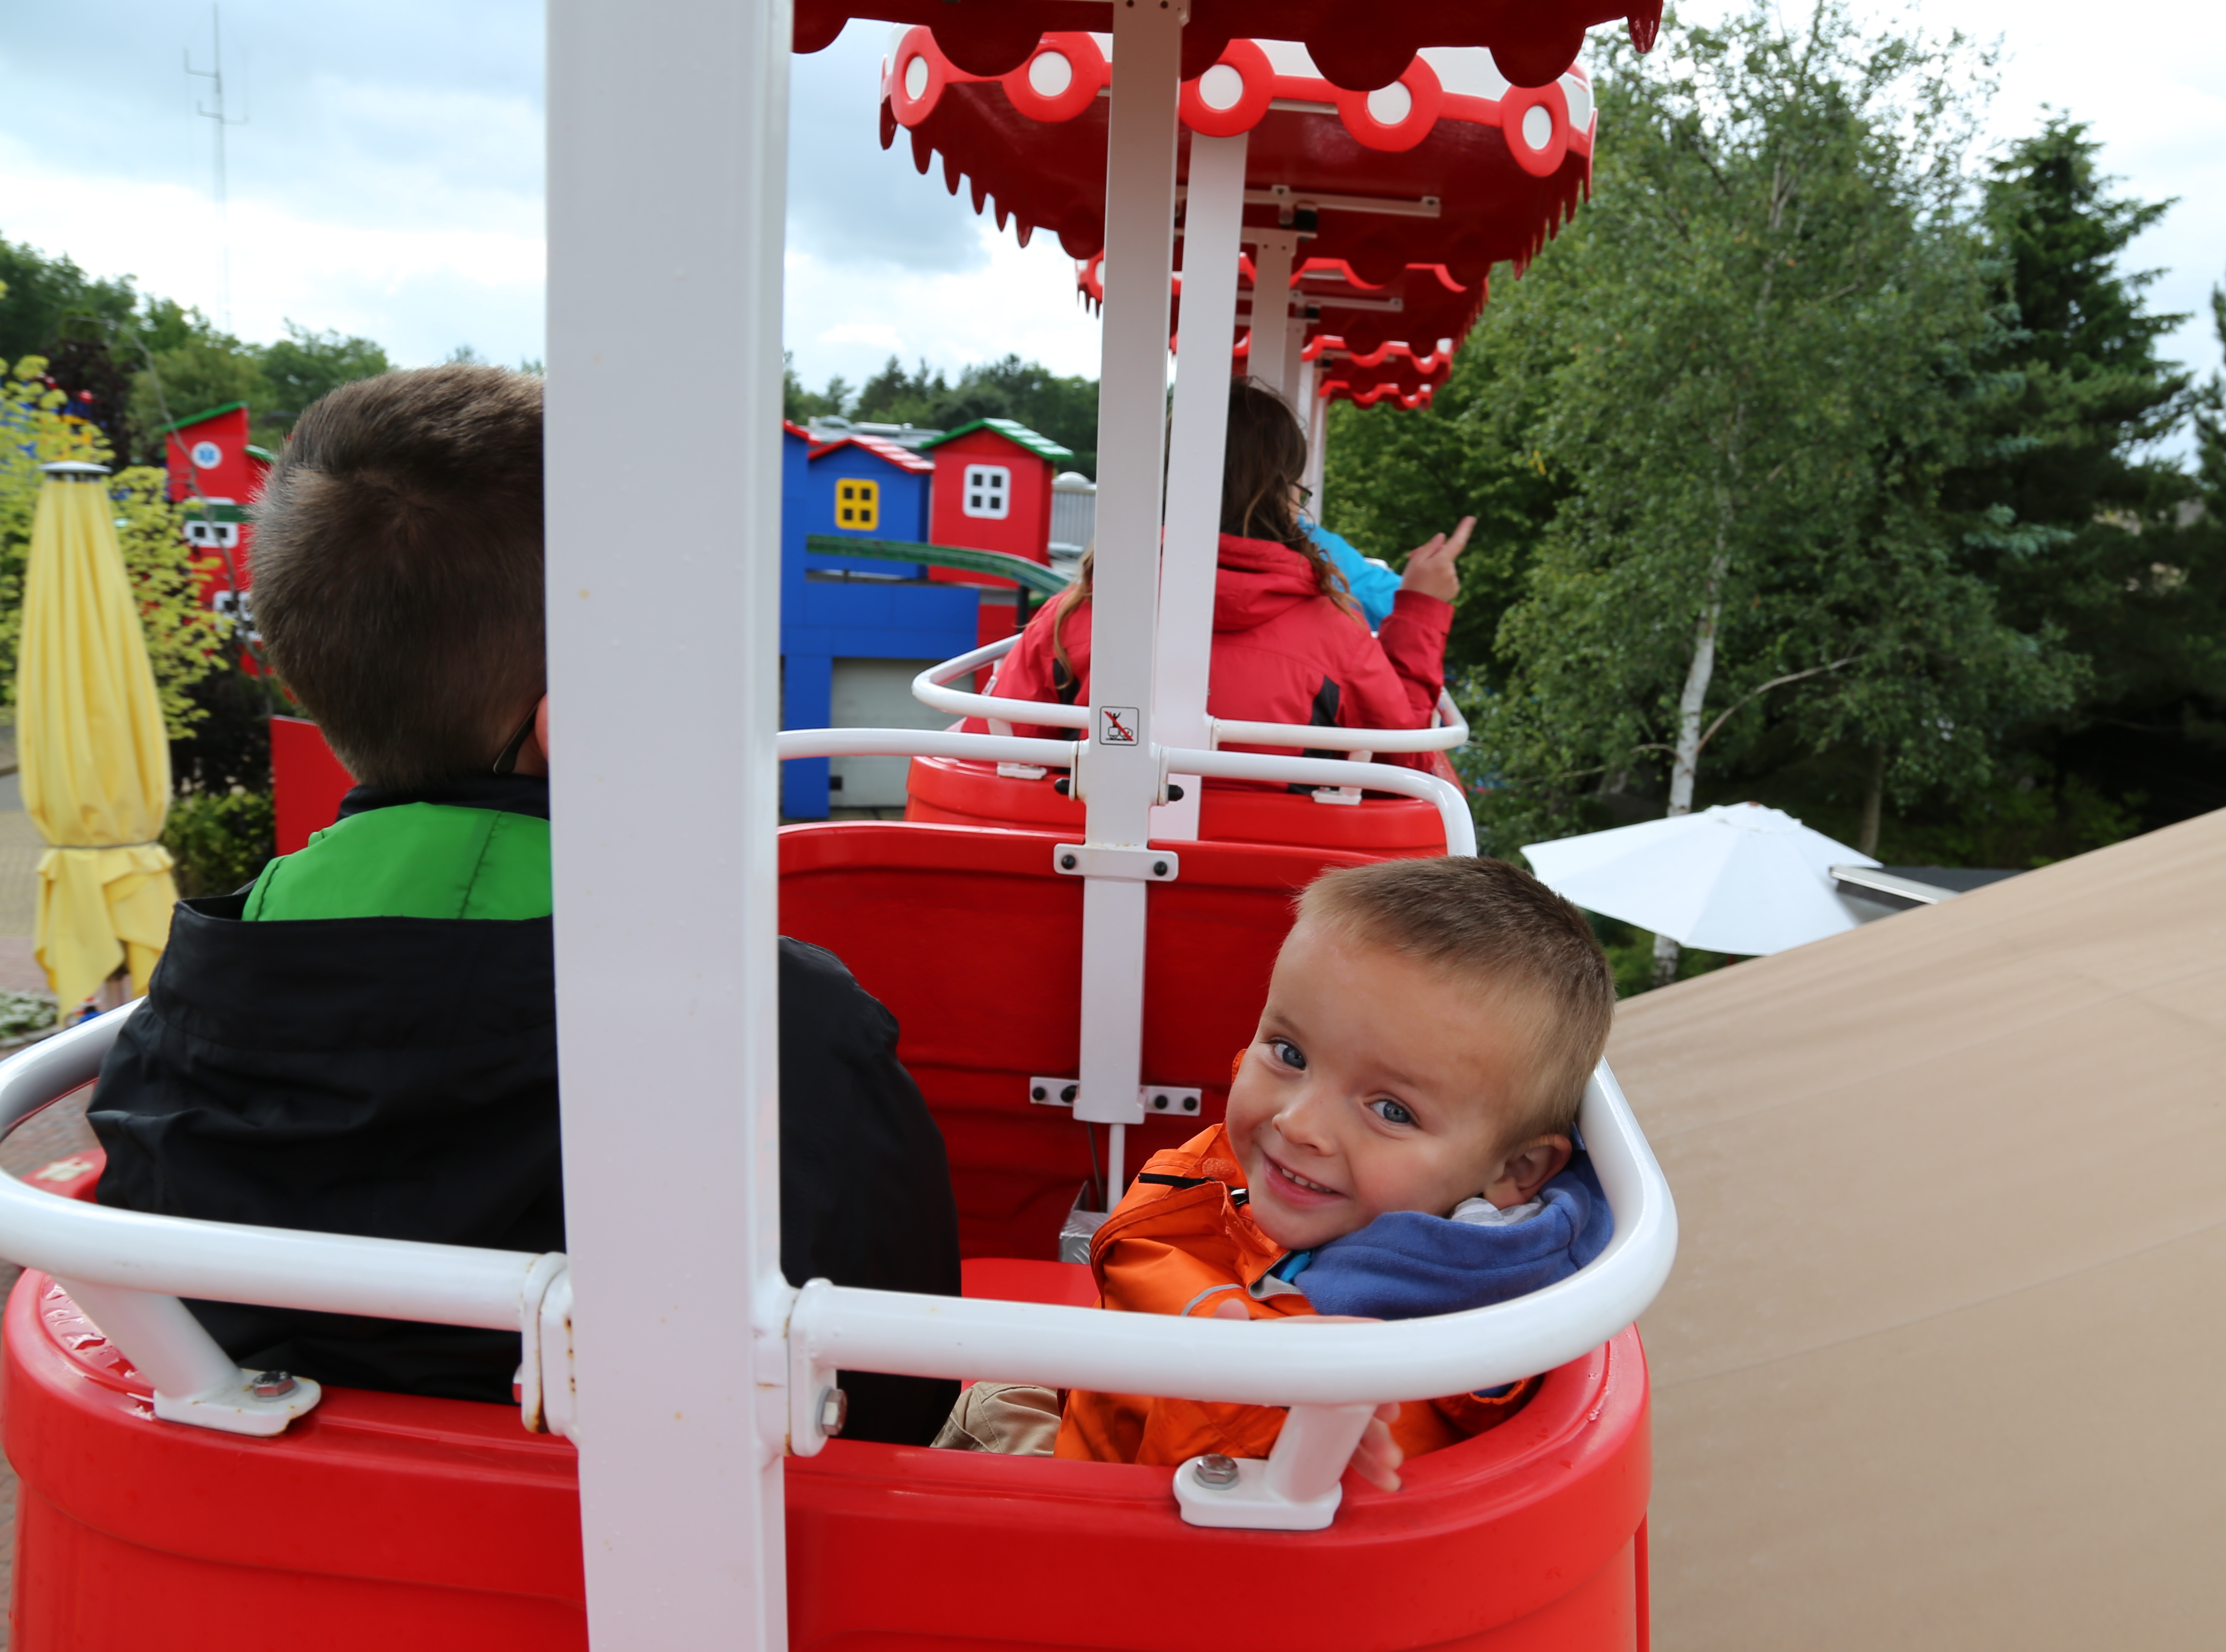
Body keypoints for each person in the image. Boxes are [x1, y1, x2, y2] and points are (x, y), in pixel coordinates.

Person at [86, 364, 963, 1445]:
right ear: (585, 720)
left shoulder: (172, 1032)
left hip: (284, 1595)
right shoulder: (782, 1037)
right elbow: (906, 1393)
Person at [933, 857, 1616, 1484]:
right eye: (1289, 1053)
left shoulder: (1426, 1366)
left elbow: (1192, 1513)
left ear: (1517, 1169)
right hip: (1090, 1414)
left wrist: (1265, 1386)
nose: (1297, 1124)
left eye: (1391, 1110)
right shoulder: (1311, 1184)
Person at [983, 381, 1470, 758]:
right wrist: (1422, 611)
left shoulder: (1077, 615)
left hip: (1086, 874)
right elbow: (1402, 760)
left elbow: (1001, 753)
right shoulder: (1336, 635)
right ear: (1287, 493)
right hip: (1279, 883)